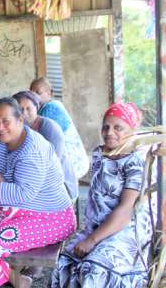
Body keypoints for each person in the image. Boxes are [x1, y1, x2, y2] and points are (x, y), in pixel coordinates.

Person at [0, 97, 75, 288]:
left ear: (20, 120)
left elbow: (23, 195)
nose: (0, 127)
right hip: (24, 211)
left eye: (6, 121)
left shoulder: (31, 150)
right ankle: (17, 280)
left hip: (52, 217)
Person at [51, 103, 152, 288]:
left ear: (132, 129)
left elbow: (126, 210)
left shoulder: (134, 162)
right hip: (97, 225)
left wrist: (92, 240)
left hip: (125, 230)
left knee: (94, 268)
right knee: (64, 260)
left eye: (118, 127)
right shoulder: (99, 153)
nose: (109, 132)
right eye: (105, 126)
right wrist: (90, 234)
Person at [13, 90, 78, 200]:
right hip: (35, 183)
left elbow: (51, 166)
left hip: (61, 187)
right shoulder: (19, 129)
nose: (24, 113)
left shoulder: (49, 128)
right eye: (20, 109)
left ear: (36, 108)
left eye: (28, 108)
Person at [30, 77, 89, 179]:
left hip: (71, 161)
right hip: (70, 161)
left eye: (38, 93)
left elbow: (37, 137)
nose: (34, 97)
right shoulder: (45, 108)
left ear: (49, 93)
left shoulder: (51, 108)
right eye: (31, 93)